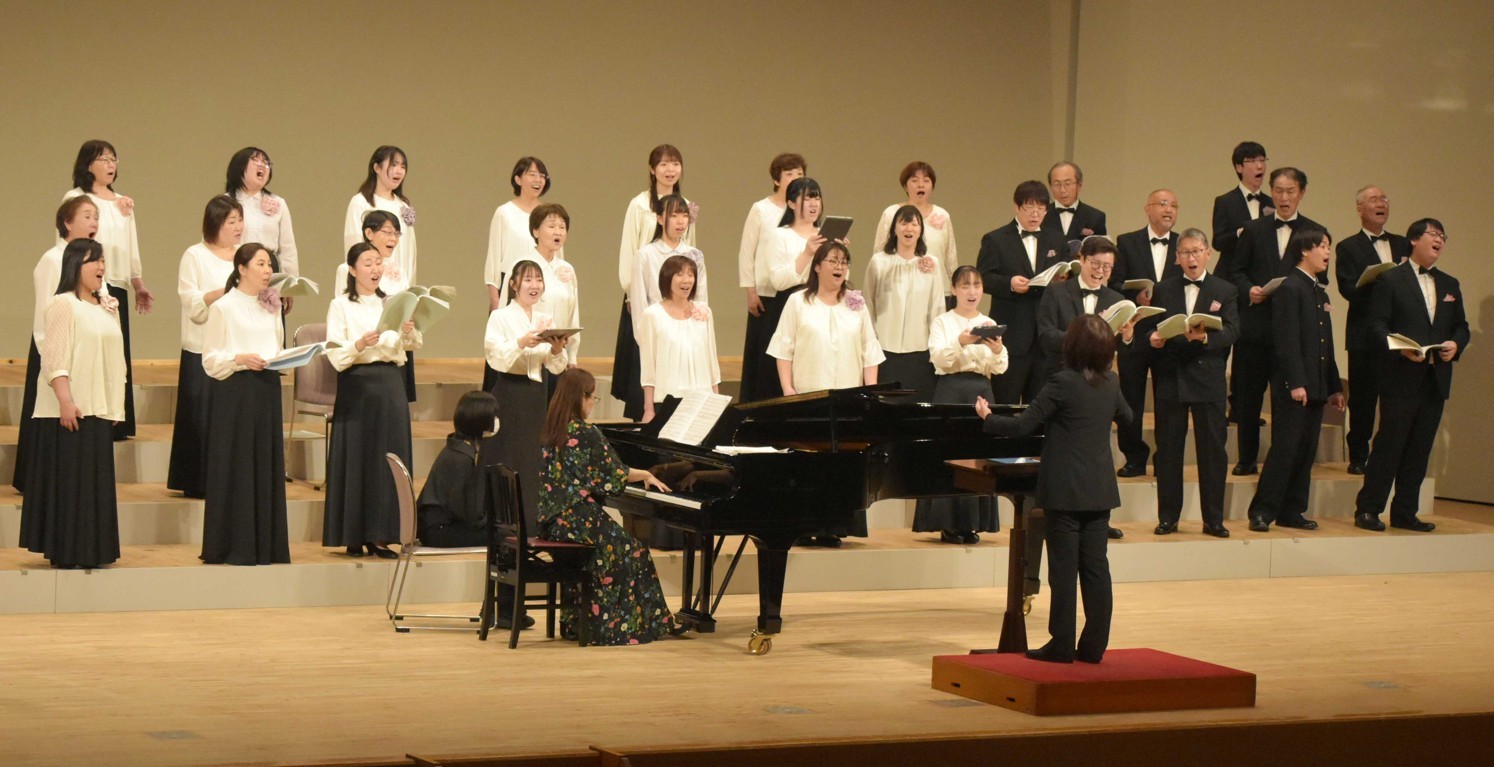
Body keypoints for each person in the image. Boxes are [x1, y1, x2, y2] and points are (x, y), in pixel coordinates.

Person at [977, 315, 1132, 664]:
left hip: (1064, 491)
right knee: (1096, 569)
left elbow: (1022, 426)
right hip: (1099, 489)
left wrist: (987, 417)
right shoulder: (1111, 382)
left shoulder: (1063, 382)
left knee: (1063, 570)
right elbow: (1129, 418)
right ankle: (1093, 646)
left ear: (1072, 346)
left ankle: (1061, 644)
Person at [539, 369, 675, 645]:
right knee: (633, 551)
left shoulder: (553, 430)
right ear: (580, 397)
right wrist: (646, 474)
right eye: (592, 397)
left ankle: (581, 623)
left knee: (618, 548)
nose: (593, 402)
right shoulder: (586, 432)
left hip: (554, 522)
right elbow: (613, 472)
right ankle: (618, 627)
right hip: (579, 520)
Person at [1353, 219, 1468, 533]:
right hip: (1400, 375)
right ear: (1414, 240)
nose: (1439, 240)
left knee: (1419, 449)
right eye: (1433, 234)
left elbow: (1461, 326)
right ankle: (1368, 509)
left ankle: (1405, 512)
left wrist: (1455, 344)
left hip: (1435, 378)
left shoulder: (1450, 283)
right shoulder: (1391, 279)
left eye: (1443, 235)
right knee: (1389, 445)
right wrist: (1399, 348)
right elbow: (1376, 325)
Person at [20, 239, 125, 569]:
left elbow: (116, 360)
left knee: (94, 485)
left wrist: (114, 405)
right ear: (75, 266)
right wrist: (65, 400)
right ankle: (67, 550)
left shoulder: (106, 307)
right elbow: (54, 358)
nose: (101, 266)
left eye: (102, 260)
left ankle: (93, 550)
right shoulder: (63, 304)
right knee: (70, 484)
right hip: (72, 410)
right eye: (93, 261)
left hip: (98, 407)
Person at [769, 241, 882, 547]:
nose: (839, 267)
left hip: (847, 398)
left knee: (842, 465)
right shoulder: (798, 302)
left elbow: (869, 351)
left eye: (844, 262)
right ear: (817, 266)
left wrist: (869, 394)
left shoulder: (856, 303)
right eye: (832, 260)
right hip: (809, 397)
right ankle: (805, 526)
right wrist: (788, 389)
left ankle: (835, 526)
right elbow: (783, 348)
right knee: (809, 464)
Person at [1223, 167, 1326, 476]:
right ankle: (1246, 458)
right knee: (1248, 398)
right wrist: (1249, 290)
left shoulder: (1314, 231)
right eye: (1278, 190)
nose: (1284, 197)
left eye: (1290, 191)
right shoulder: (1254, 229)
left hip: (1294, 334)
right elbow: (1236, 270)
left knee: (1286, 402)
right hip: (1255, 327)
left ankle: (1281, 463)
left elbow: (1321, 279)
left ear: (1302, 193)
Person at [323, 242, 422, 559]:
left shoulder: (392, 302)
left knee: (388, 457)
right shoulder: (340, 305)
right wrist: (359, 344)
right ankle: (353, 533)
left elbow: (410, 346)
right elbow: (335, 354)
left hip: (390, 384)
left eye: (378, 262)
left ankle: (382, 535)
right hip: (357, 385)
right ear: (352, 270)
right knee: (357, 456)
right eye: (367, 263)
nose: (375, 269)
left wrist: (408, 331)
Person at [1246, 227, 1344, 533]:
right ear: (1304, 250)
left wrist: (1335, 387)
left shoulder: (1319, 291)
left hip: (1316, 384)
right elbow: (1286, 341)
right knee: (1285, 449)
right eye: (1323, 246)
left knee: (1305, 451)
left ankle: (1292, 510)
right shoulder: (1290, 287)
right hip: (1295, 385)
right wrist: (1296, 382)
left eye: (1329, 247)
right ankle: (1262, 511)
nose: (1327, 252)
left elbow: (1326, 344)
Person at [1143, 229, 1239, 537]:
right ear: (1177, 258)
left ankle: (1214, 519)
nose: (1191, 258)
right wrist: (1153, 338)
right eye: (1185, 252)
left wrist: (1206, 337)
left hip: (1208, 379)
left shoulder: (1225, 289)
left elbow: (1233, 330)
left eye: (1196, 251)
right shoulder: (1164, 289)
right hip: (1171, 378)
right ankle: (1168, 517)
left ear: (1208, 253)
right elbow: (1150, 327)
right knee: (1169, 452)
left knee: (1212, 453)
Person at [200, 244, 290, 565]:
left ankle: (266, 546)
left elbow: (275, 347)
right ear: (242, 268)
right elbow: (210, 360)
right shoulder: (224, 307)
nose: (267, 270)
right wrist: (238, 358)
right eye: (261, 264)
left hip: (267, 391)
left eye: (270, 265)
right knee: (236, 465)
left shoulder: (271, 306)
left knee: (265, 464)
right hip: (236, 393)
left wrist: (286, 359)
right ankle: (233, 545)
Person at [416, 391, 533, 630]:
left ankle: (503, 609)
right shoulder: (462, 458)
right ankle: (507, 611)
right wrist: (491, 523)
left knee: (504, 534)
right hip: (439, 530)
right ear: (481, 420)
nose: (497, 420)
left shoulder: (459, 448)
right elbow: (467, 514)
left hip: (437, 525)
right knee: (509, 537)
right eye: (493, 415)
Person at [63, 140, 154, 440]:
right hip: (85, 284)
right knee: (90, 348)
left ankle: (117, 420)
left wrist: (138, 282)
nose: (110, 164)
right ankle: (89, 414)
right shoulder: (76, 198)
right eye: (103, 159)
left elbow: (131, 246)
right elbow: (66, 242)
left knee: (116, 352)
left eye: (113, 159)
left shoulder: (122, 203)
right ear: (88, 164)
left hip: (115, 284)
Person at [912, 266, 1008, 544]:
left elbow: (1000, 367)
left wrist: (997, 350)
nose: (972, 291)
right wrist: (960, 342)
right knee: (951, 454)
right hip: (951, 390)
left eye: (976, 285)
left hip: (981, 390)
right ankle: (947, 524)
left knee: (978, 456)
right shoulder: (942, 322)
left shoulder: (988, 321)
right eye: (965, 286)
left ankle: (973, 522)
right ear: (954, 289)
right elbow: (938, 359)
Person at [15, 197, 99, 493]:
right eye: (87, 216)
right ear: (67, 222)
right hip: (55, 352)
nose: (94, 223)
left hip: (83, 352)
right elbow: (45, 314)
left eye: (96, 217)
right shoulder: (53, 259)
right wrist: (52, 359)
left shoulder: (93, 260)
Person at [485, 259, 571, 531]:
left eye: (538, 279)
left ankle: (532, 523)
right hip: (509, 392)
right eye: (528, 279)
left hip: (537, 394)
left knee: (533, 459)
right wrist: (521, 343)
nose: (534, 285)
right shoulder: (500, 316)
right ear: (513, 284)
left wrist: (557, 349)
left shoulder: (545, 318)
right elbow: (494, 355)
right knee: (510, 456)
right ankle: (504, 522)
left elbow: (555, 365)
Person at [168, 196, 244, 499]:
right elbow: (192, 304)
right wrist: (226, 292)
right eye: (231, 221)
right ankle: (198, 480)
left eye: (240, 220)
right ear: (215, 224)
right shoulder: (195, 255)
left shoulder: (244, 255)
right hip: (202, 346)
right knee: (200, 416)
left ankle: (229, 479)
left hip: (234, 348)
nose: (238, 227)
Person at [1335, 186, 1411, 475]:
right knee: (1363, 400)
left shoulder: (1403, 244)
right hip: (1364, 336)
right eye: (1373, 200)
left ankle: (1388, 456)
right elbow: (1347, 289)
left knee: (1395, 400)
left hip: (1396, 333)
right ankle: (1358, 455)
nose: (1381, 204)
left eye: (1384, 199)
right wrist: (1381, 283)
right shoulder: (1348, 247)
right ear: (1359, 209)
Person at [613, 144, 692, 420]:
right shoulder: (639, 205)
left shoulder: (685, 205)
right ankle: (645, 415)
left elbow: (690, 253)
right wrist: (631, 293)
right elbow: (629, 250)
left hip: (677, 299)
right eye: (664, 164)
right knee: (645, 359)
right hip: (644, 297)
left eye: (675, 164)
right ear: (652, 169)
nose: (670, 170)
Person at [1110, 190, 1183, 477]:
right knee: (1131, 398)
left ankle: (1166, 457)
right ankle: (1134, 458)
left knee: (1168, 401)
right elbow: (1115, 283)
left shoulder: (1182, 244)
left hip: (1169, 333)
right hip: (1136, 330)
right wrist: (1135, 296)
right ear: (1147, 208)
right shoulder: (1127, 242)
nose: (1169, 209)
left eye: (1174, 205)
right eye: (1163, 204)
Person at [976, 180, 1068, 404]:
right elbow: (983, 278)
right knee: (1005, 401)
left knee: (1040, 404)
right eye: (1029, 207)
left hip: (1047, 335)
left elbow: (1068, 276)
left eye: (1041, 208)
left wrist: (1063, 279)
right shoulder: (996, 239)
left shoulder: (1056, 239)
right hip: (1012, 334)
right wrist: (1009, 283)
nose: (1035, 214)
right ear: (1016, 207)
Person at [742, 177, 829, 401]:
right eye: (807, 198)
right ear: (791, 203)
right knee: (782, 367)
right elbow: (779, 281)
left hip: (819, 306)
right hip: (787, 304)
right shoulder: (779, 235)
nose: (814, 204)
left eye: (817, 198)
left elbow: (840, 278)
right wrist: (807, 253)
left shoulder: (824, 234)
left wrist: (837, 257)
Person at [738, 153, 806, 403]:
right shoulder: (761, 209)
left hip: (799, 293)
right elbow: (747, 252)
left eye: (799, 174)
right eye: (789, 174)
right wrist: (750, 290)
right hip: (767, 294)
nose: (795, 178)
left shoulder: (805, 211)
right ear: (776, 180)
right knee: (766, 358)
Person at [1211, 141, 1269, 426]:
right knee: (1222, 345)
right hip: (1228, 280)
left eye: (1262, 160)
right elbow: (1218, 241)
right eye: (1252, 161)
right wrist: (1241, 231)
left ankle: (1242, 410)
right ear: (1238, 167)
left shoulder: (1271, 203)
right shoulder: (1226, 201)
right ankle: (1214, 409)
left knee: (1249, 352)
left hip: (1257, 283)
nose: (1259, 166)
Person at [864, 204, 944, 401]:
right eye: (904, 223)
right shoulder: (879, 262)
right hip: (884, 349)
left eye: (914, 224)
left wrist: (936, 347)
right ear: (894, 229)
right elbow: (868, 304)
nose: (909, 229)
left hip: (920, 351)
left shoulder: (931, 263)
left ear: (921, 230)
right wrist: (872, 341)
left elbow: (937, 307)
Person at [338, 210, 417, 401]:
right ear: (369, 233)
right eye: (387, 232)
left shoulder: (399, 271)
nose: (393, 239)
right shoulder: (346, 269)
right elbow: (345, 309)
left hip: (392, 350)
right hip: (362, 353)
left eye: (396, 233)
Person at [638, 255, 721, 423]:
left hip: (702, 399)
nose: (686, 280)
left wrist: (717, 404)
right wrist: (648, 409)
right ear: (667, 277)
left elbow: (712, 361)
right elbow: (648, 367)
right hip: (668, 400)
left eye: (691, 274)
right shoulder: (652, 315)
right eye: (680, 274)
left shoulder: (703, 312)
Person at [871, 162, 958, 297]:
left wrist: (955, 285)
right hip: (900, 289)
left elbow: (950, 255)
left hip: (938, 290)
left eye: (926, 180)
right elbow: (879, 251)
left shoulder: (942, 215)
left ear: (932, 186)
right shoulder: (891, 213)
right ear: (905, 186)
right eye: (915, 180)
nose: (921, 185)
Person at [630, 194, 710, 338]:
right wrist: (644, 338)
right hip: (657, 330)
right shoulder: (645, 255)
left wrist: (699, 330)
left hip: (689, 331)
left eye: (685, 216)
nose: (681, 221)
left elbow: (700, 298)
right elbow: (639, 303)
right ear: (660, 219)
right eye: (674, 216)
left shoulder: (694, 255)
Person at [486, 156, 556, 313]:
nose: (538, 180)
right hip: (511, 288)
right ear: (518, 179)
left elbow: (556, 256)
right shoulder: (504, 213)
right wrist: (495, 301)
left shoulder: (550, 216)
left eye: (542, 176)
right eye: (532, 174)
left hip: (542, 291)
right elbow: (493, 260)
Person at [343, 146, 417, 289]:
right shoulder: (361, 202)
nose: (399, 171)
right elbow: (354, 245)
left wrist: (410, 287)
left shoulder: (403, 207)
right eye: (393, 165)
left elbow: (410, 250)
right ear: (377, 167)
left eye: (403, 167)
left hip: (400, 282)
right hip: (371, 284)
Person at [227, 146, 299, 291]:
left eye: (266, 163)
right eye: (255, 160)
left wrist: (290, 285)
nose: (262, 165)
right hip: (234, 268)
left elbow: (288, 248)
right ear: (239, 166)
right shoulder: (225, 203)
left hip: (269, 271)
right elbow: (213, 241)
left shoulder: (278, 203)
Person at [1041, 161, 1107, 239]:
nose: (1062, 190)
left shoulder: (1095, 217)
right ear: (1050, 187)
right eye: (1057, 184)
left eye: (1067, 184)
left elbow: (1101, 246)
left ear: (1079, 185)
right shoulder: (1041, 215)